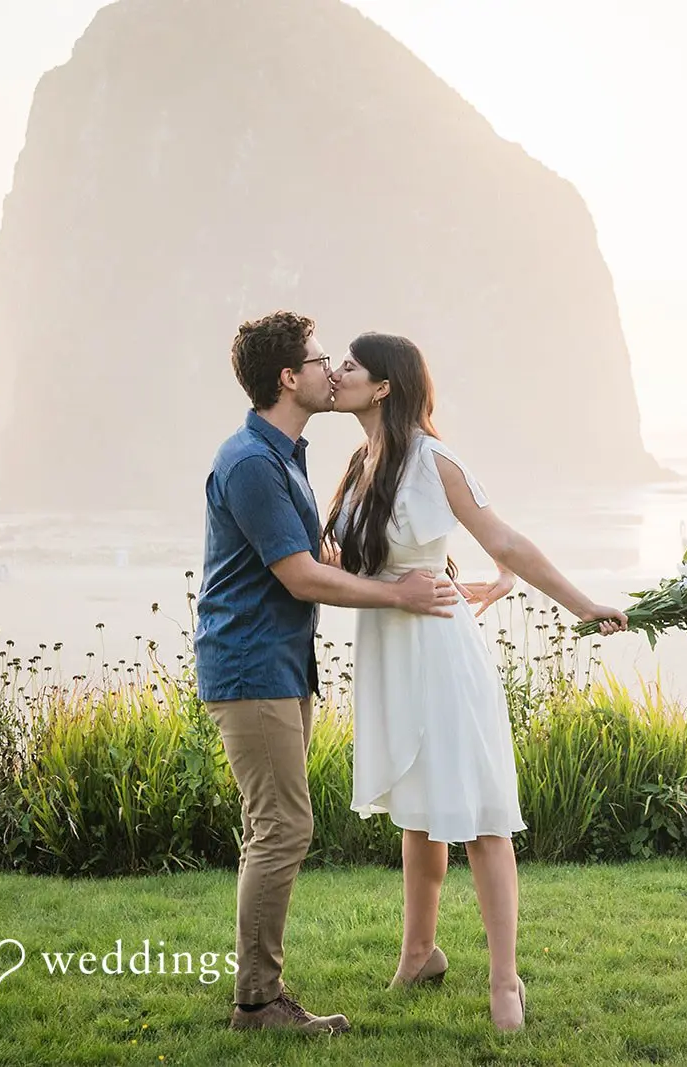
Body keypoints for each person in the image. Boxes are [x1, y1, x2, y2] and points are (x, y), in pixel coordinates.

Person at [325, 332, 627, 1032]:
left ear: (383, 387)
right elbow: (354, 560)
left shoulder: (435, 459)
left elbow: (507, 542)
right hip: (390, 651)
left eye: (349, 365)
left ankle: (504, 982)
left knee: (479, 815)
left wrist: (585, 605)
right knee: (419, 811)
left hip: (439, 653)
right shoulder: (359, 461)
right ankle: (418, 953)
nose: (335, 373)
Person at [197, 311, 459, 1036]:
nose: (329, 369)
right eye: (318, 359)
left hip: (278, 664)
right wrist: (400, 593)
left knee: (269, 828)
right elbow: (299, 576)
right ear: (288, 377)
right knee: (283, 828)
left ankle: (259, 995)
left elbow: (312, 561)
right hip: (253, 668)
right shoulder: (253, 462)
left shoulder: (284, 455)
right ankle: (259, 1002)